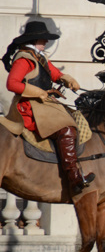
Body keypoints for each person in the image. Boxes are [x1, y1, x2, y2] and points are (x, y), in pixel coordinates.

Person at [2, 21, 95, 194]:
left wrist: (67, 79)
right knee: (66, 129)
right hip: (30, 107)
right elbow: (12, 84)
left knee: (76, 117)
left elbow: (54, 73)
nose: (46, 42)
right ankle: (74, 177)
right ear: (35, 40)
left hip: (43, 103)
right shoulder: (24, 60)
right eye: (43, 39)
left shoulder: (38, 57)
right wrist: (37, 92)